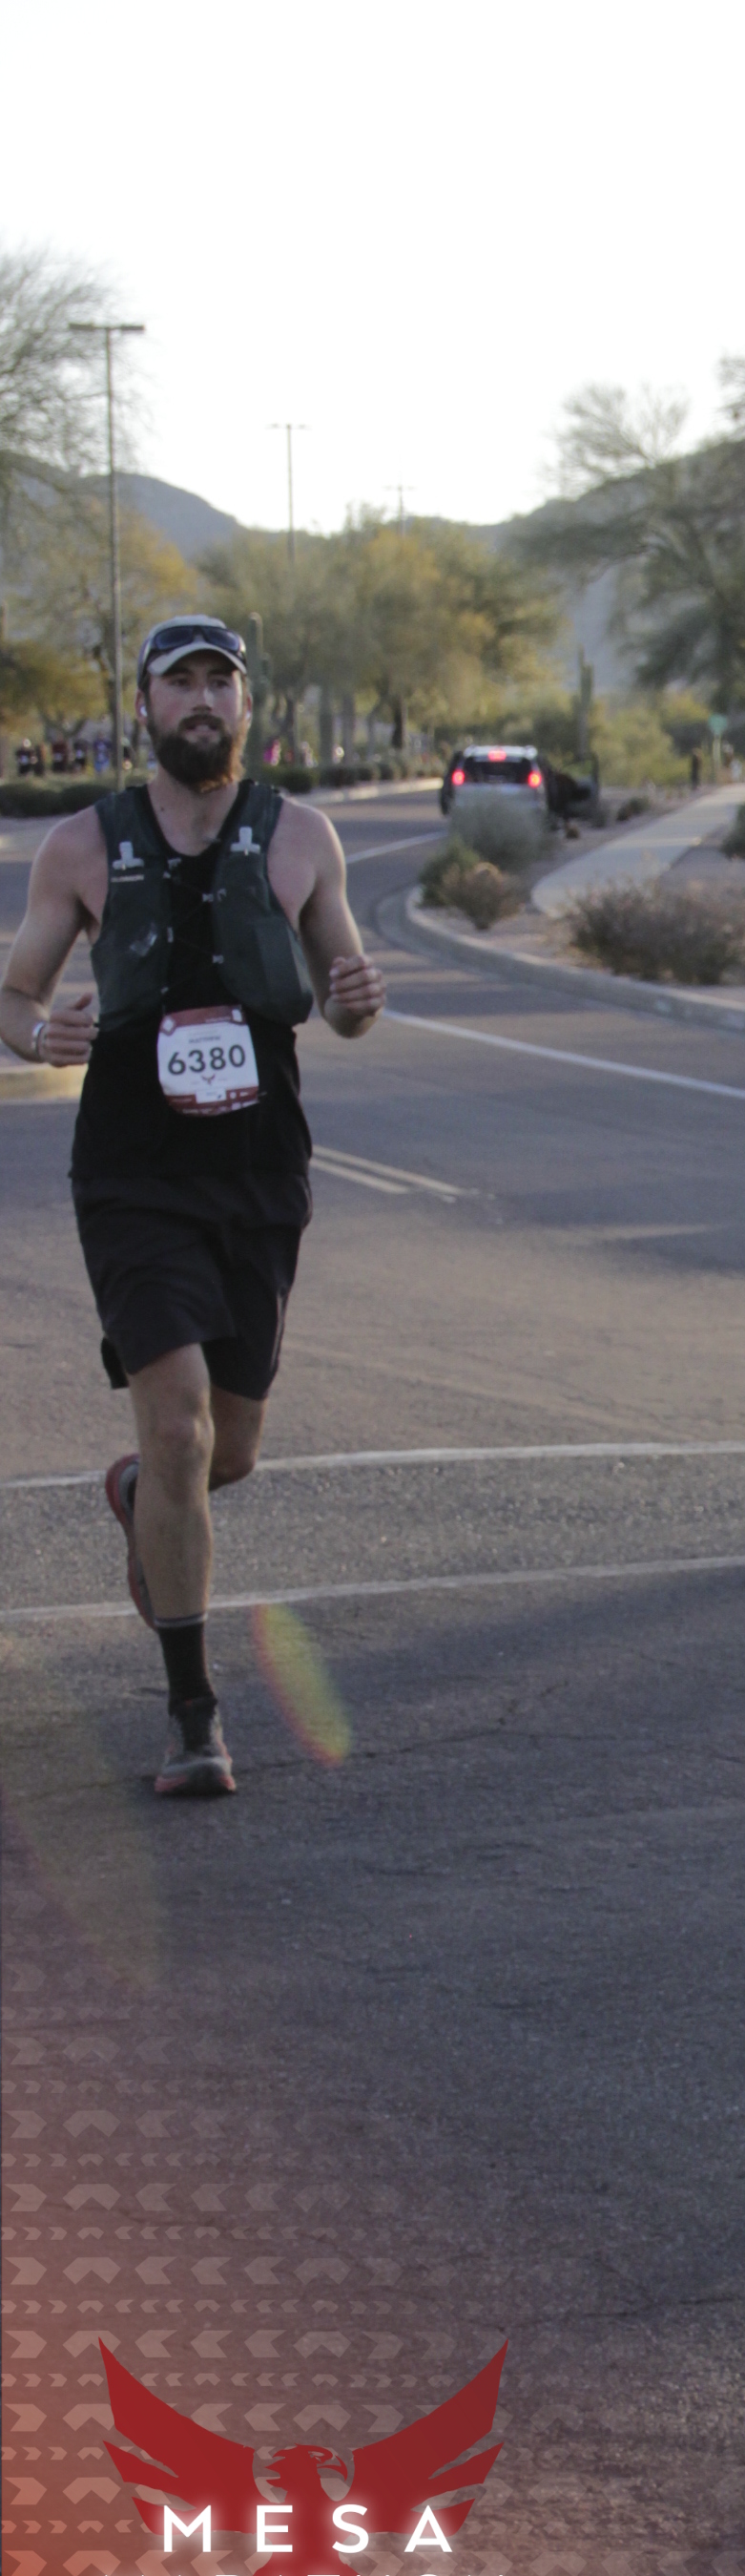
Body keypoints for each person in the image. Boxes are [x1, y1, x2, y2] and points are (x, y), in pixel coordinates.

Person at [0, 615, 386, 1796]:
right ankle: (192, 1718)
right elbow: (15, 996)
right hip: (133, 1171)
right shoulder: (81, 845)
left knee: (229, 1449)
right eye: (182, 685)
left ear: (246, 706)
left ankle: (142, 1500)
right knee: (177, 1430)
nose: (203, 702)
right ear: (146, 707)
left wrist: (360, 998)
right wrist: (38, 1034)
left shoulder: (303, 836)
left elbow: (344, 1002)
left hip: (260, 1169)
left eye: (222, 683)